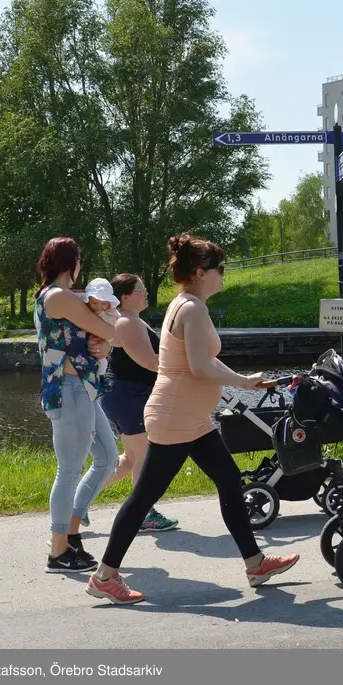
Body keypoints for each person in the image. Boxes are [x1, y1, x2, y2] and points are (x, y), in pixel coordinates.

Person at [86, 234, 300, 604]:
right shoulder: (193, 309)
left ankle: (255, 564)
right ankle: (104, 576)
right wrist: (243, 381)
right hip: (175, 417)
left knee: (229, 480)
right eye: (220, 269)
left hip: (191, 417)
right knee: (144, 496)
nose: (223, 275)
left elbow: (202, 360)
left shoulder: (185, 303)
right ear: (201, 272)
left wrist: (244, 380)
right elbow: (200, 368)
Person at [34, 237, 121, 574]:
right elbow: (107, 328)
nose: (81, 265)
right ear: (71, 263)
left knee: (107, 458)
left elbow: (102, 337)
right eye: (79, 259)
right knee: (69, 469)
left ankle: (71, 532)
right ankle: (58, 552)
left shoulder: (68, 298)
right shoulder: (58, 296)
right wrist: (108, 340)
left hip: (84, 388)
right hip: (67, 390)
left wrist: (106, 348)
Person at [96, 273, 178, 533]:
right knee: (143, 457)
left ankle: (80, 499)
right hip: (129, 395)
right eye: (141, 290)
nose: (146, 293)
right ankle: (144, 515)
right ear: (125, 297)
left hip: (124, 395)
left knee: (131, 458)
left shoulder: (130, 320)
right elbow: (149, 361)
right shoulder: (127, 322)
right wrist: (186, 366)